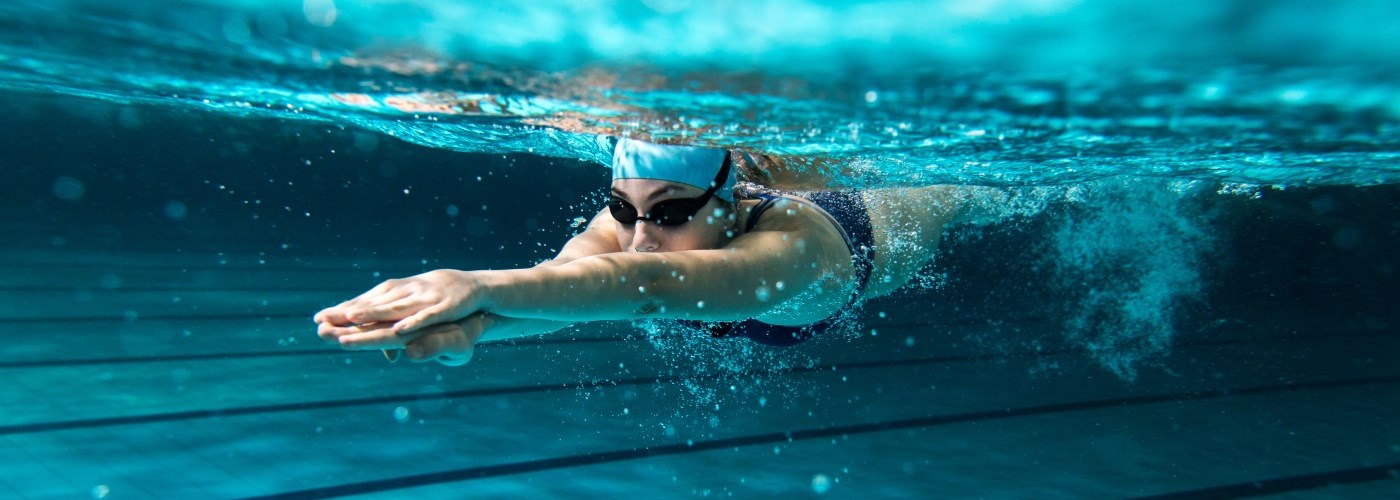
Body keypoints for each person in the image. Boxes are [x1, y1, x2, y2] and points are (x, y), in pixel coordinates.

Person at [314, 138, 977, 366]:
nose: (638, 236)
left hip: (881, 219)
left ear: (731, 205)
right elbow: (566, 288)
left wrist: (475, 284)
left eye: (668, 212)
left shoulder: (790, 251)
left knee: (968, 191)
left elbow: (649, 285)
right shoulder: (634, 231)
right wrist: (473, 331)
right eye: (624, 209)